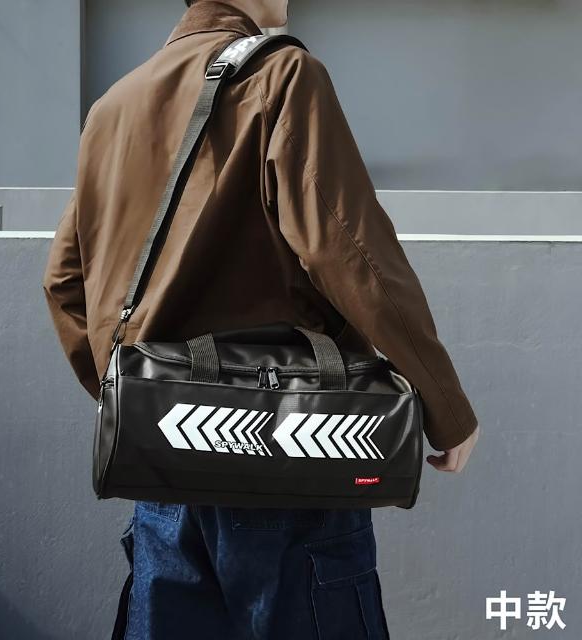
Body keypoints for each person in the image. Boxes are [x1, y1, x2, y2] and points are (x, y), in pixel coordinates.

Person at [42, 0, 480, 637]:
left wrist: (138, 400)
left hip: (165, 472)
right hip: (286, 458)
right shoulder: (282, 75)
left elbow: (63, 281)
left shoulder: (114, 105)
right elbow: (349, 249)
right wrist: (445, 407)